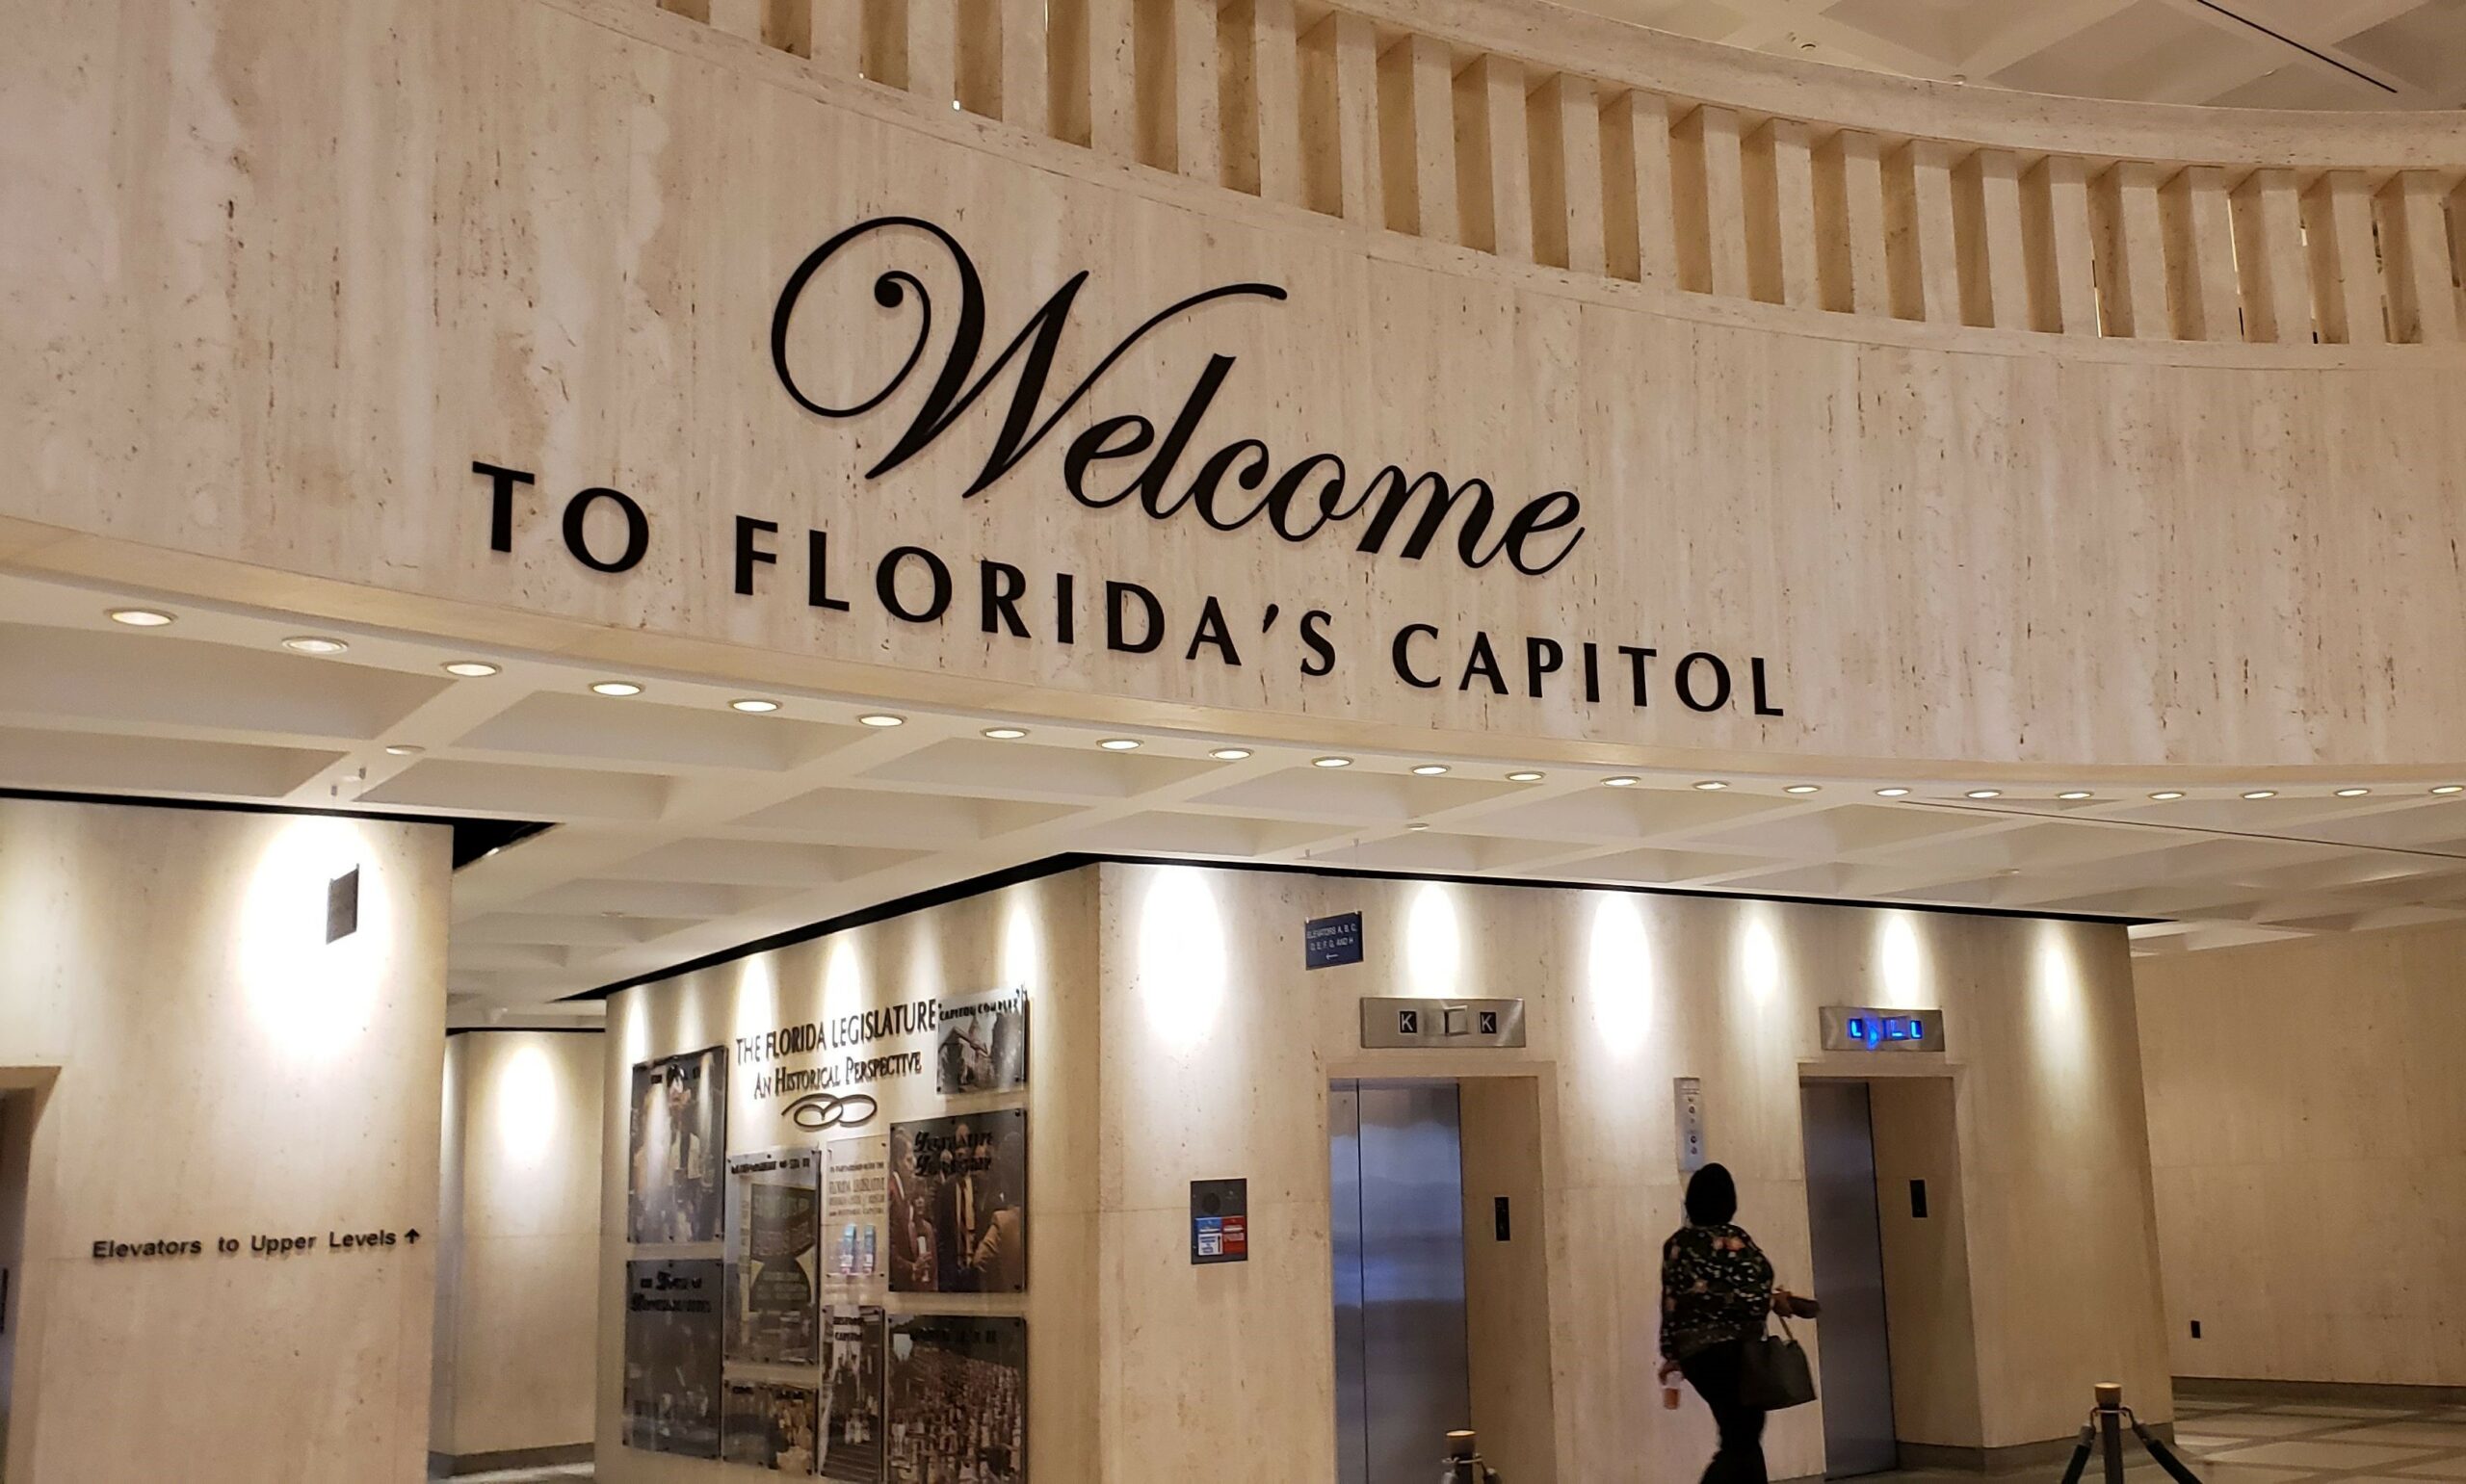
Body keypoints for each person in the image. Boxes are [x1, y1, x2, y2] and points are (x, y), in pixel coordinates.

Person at [1658, 1163, 1802, 1484]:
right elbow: (1752, 1291)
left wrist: (1671, 1353)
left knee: (1742, 1435)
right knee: (1742, 1437)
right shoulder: (1739, 1242)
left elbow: (1671, 1302)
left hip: (1698, 1355)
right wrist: (1771, 1300)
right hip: (1740, 1355)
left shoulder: (1678, 1245)